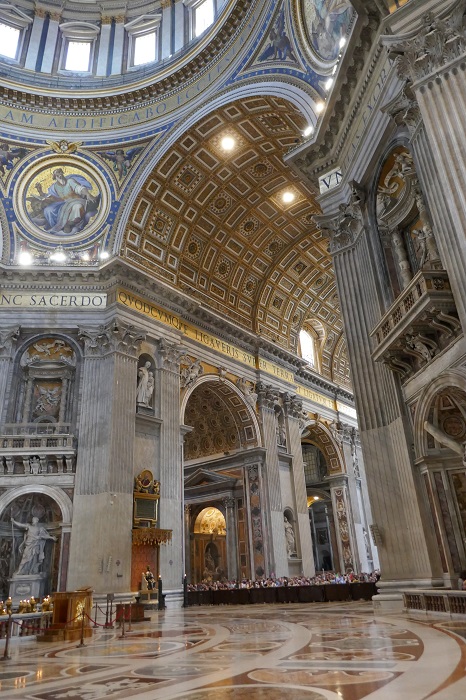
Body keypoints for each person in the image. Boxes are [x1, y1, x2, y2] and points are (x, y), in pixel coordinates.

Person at [29, 167, 99, 235]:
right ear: (55, 177)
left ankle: (69, 224)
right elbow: (51, 196)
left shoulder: (70, 181)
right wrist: (40, 191)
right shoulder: (55, 186)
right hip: (64, 203)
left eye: (60, 173)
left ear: (62, 173)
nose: (59, 175)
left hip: (77, 200)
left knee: (77, 207)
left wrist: (88, 194)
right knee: (48, 210)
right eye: (56, 174)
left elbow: (80, 188)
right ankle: (54, 226)